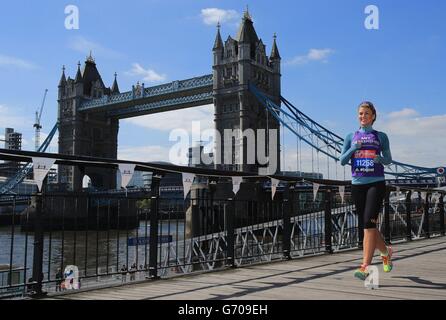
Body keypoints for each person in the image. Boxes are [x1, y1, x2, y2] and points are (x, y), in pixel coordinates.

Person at [340, 101, 393, 280]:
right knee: (367, 225)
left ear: (373, 116)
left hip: (376, 183)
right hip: (357, 184)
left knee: (369, 225)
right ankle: (385, 252)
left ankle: (364, 266)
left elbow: (389, 160)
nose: (363, 116)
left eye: (367, 113)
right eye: (361, 113)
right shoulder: (350, 136)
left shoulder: (381, 136)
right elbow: (342, 160)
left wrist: (380, 159)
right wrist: (353, 148)